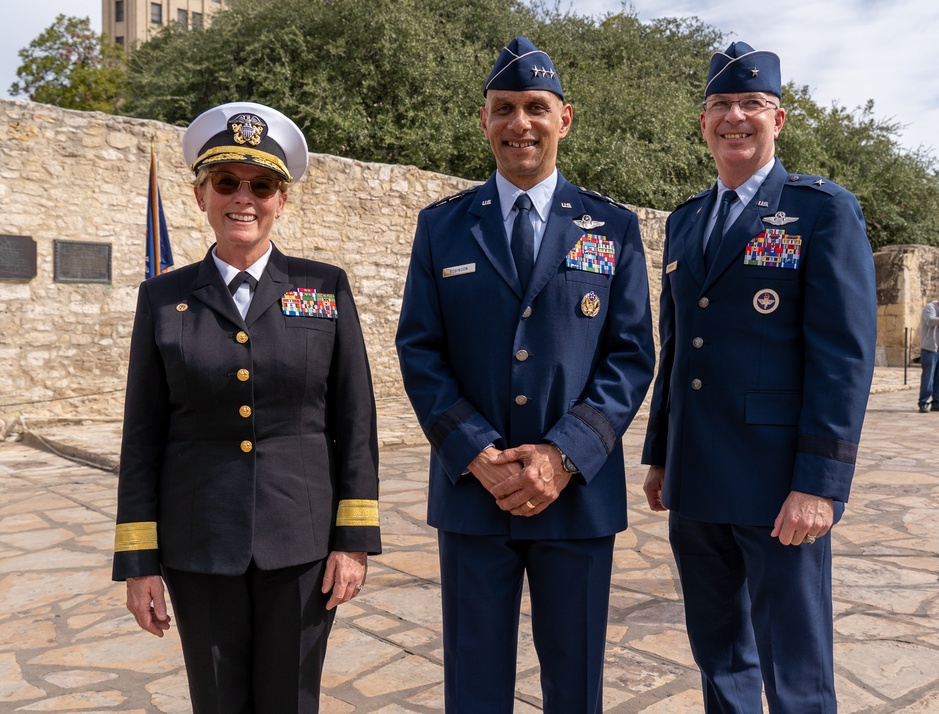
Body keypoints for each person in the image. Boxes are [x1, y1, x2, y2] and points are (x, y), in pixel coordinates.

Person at [395, 36, 655, 712]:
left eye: (535, 107)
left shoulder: (611, 227)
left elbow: (630, 355)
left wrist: (563, 457)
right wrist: (477, 454)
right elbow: (420, 351)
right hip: (472, 495)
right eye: (503, 108)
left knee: (575, 684)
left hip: (575, 498)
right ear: (482, 119)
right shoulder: (442, 228)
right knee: (474, 684)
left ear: (563, 118)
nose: (519, 124)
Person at [112, 101, 381, 713]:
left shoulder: (323, 288)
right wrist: (138, 562)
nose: (244, 197)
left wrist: (354, 541)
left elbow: (354, 421)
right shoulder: (163, 299)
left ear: (281, 201)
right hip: (198, 542)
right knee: (216, 702)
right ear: (200, 194)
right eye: (226, 182)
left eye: (262, 185)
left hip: (303, 542)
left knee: (291, 701)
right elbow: (142, 436)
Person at [641, 42, 876, 712]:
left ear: (778, 119)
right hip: (696, 477)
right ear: (702, 120)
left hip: (779, 484)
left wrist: (819, 484)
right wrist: (660, 454)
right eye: (721, 105)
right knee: (718, 656)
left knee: (795, 668)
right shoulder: (685, 221)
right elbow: (677, 346)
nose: (734, 116)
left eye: (751, 104)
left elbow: (843, 356)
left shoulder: (819, 210)